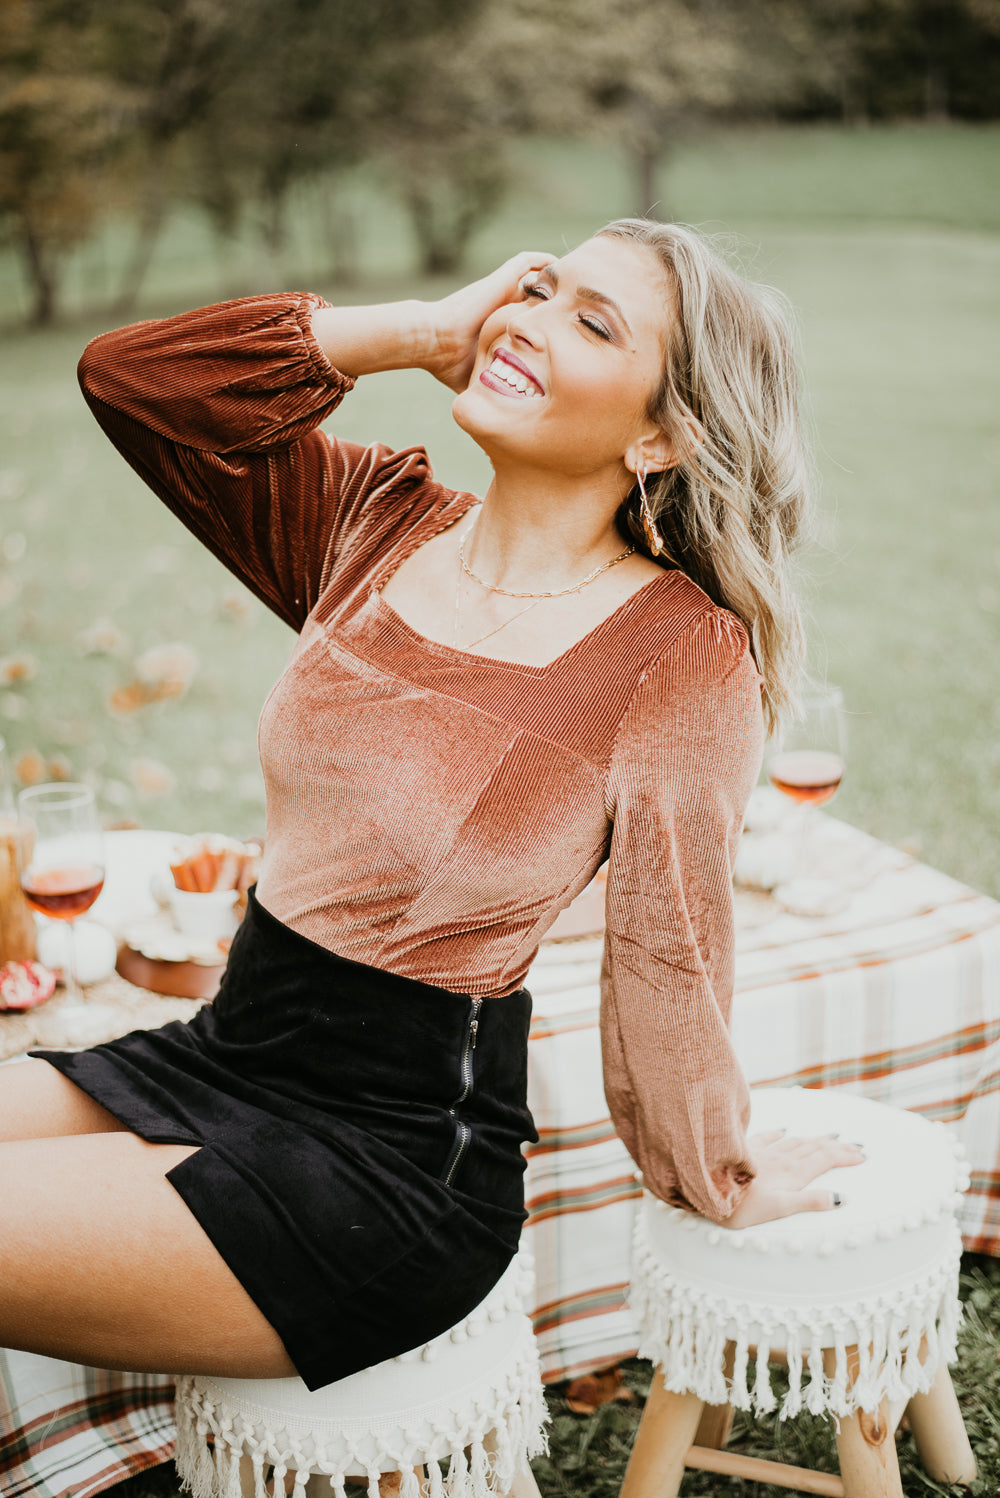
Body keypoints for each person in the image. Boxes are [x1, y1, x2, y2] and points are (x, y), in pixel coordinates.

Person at [0, 219, 862, 1391]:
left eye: (591, 322)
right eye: (538, 288)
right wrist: (418, 330)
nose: (528, 323)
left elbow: (669, 959)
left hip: (390, 1163)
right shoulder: (371, 519)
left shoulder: (678, 656)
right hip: (222, 1052)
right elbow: (134, 381)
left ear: (659, 435)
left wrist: (716, 1171)